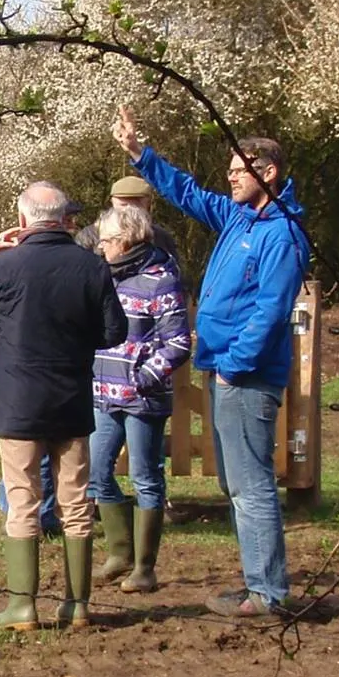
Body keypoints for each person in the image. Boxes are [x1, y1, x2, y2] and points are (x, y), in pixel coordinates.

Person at [115, 108, 308, 619]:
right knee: (235, 484)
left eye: (240, 170)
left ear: (269, 173)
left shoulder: (281, 235)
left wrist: (234, 365)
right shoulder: (240, 217)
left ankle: (267, 594)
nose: (231, 178)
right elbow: (189, 194)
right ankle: (257, 584)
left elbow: (271, 310)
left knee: (250, 485)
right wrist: (140, 154)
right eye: (229, 170)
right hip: (225, 369)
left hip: (245, 375)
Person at [0, 181, 123, 630]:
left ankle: (22, 608)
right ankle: (77, 605)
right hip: (72, 401)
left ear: (22, 221)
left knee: (23, 500)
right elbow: (114, 332)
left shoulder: (4, 266)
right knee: (75, 503)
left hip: (19, 405)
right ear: (63, 219)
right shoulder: (91, 266)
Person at [89, 200, 190, 592]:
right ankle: (119, 553)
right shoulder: (105, 277)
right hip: (103, 393)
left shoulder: (161, 279)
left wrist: (143, 378)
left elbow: (177, 343)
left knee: (145, 478)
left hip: (143, 399)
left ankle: (145, 568)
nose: (101, 247)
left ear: (127, 240)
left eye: (106, 240)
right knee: (97, 472)